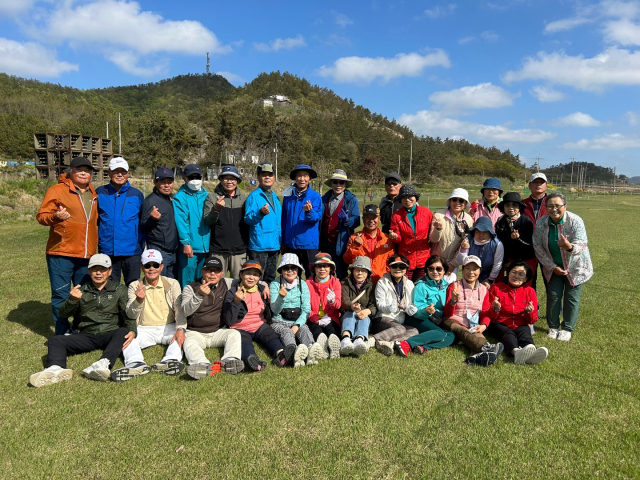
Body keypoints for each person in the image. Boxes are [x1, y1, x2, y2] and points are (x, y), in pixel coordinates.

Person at [29, 254, 144, 387]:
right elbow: (63, 313)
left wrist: (132, 330)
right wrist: (72, 301)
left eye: (103, 269)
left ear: (110, 271)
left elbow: (127, 314)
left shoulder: (119, 289)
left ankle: (103, 363)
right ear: (89, 271)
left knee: (123, 332)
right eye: (95, 269)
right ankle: (55, 369)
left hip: (110, 332)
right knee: (55, 341)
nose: (99, 273)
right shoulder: (82, 290)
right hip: (87, 335)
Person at [37, 156, 98, 335]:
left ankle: (80, 327)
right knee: (61, 294)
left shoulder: (93, 193)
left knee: (84, 294)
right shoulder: (57, 190)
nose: (83, 173)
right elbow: (42, 216)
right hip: (61, 251)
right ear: (70, 171)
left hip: (86, 253)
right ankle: (62, 330)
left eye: (87, 170)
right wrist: (55, 217)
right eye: (79, 169)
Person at [533, 193, 593, 341]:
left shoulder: (575, 221)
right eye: (550, 206)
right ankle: (553, 326)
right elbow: (538, 247)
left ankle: (567, 328)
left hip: (576, 266)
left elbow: (582, 243)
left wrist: (569, 246)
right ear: (546, 208)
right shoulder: (541, 223)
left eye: (558, 206)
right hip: (553, 267)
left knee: (571, 298)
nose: (554, 209)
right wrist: (552, 266)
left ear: (565, 206)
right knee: (553, 296)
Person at [122, 249, 186, 377]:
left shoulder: (172, 283)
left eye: (155, 265)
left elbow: (179, 309)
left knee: (182, 339)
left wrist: (180, 329)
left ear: (161, 267)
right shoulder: (134, 285)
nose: (152, 269)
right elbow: (130, 314)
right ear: (142, 267)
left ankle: (170, 361)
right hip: (144, 328)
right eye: (147, 265)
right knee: (128, 340)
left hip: (168, 326)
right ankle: (136, 363)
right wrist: (138, 301)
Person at [179, 256, 245, 379]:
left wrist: (264, 285)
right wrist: (199, 295)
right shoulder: (190, 288)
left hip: (218, 331)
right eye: (209, 270)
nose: (213, 274)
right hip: (196, 332)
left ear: (222, 273)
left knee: (234, 334)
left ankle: (230, 360)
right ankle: (202, 364)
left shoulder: (228, 283)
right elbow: (185, 311)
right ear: (203, 271)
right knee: (189, 342)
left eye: (217, 271)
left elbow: (247, 280)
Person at [224, 260, 294, 371]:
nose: (251, 277)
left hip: (259, 325)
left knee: (271, 337)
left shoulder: (262, 290)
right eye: (248, 274)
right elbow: (229, 320)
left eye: (255, 275)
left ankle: (281, 355)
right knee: (244, 343)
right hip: (240, 328)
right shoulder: (233, 292)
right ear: (241, 275)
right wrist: (236, 302)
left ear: (259, 278)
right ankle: (251, 359)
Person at [442, 256, 501, 366]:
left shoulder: (483, 289)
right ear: (463, 269)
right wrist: (453, 301)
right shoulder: (454, 286)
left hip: (472, 325)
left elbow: (485, 312)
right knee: (459, 329)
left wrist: (483, 325)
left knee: (480, 339)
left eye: (475, 269)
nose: (471, 272)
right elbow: (446, 313)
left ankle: (473, 358)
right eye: (468, 268)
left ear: (480, 271)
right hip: (453, 322)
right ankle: (485, 348)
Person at [485, 261, 548, 365]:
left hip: (520, 322)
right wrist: (495, 308)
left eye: (521, 274)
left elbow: (532, 319)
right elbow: (489, 314)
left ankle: (531, 353)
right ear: (508, 273)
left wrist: (528, 312)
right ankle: (516, 352)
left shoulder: (530, 291)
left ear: (526, 278)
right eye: (513, 272)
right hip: (500, 323)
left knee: (525, 334)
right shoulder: (497, 288)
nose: (516, 276)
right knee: (508, 334)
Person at [96, 157, 145, 286]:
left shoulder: (136, 194)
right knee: (110, 287)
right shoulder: (100, 193)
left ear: (128, 173)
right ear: (109, 173)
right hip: (108, 249)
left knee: (133, 286)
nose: (119, 174)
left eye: (123, 171)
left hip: (132, 250)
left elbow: (143, 220)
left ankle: (131, 307)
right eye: (115, 171)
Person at [269, 254, 323, 367]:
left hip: (297, 320)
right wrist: (281, 298)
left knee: (305, 330)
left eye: (293, 267)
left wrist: (297, 325)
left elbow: (306, 309)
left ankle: (311, 350)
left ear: (298, 269)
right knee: (286, 332)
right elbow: (274, 310)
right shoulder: (274, 284)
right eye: (286, 268)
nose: (290, 271)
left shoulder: (302, 284)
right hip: (279, 321)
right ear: (281, 270)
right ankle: (293, 352)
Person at [401, 255, 456, 354]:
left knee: (451, 336)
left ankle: (423, 347)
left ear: (444, 271)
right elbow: (417, 309)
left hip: (436, 319)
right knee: (439, 333)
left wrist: (453, 301)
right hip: (419, 317)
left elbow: (448, 308)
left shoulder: (447, 286)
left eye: (439, 269)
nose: (435, 272)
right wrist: (426, 311)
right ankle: (407, 343)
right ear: (427, 271)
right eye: (431, 269)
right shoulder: (421, 285)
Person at [204, 165, 249, 279]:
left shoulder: (244, 199)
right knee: (217, 284)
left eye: (233, 179)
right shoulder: (212, 198)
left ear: (237, 181)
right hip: (218, 250)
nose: (229, 181)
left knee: (239, 284)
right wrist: (216, 208)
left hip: (239, 251)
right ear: (221, 180)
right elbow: (208, 220)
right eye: (226, 178)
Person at [371, 255, 419, 356]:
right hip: (383, 318)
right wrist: (388, 308)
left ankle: (390, 344)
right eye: (394, 266)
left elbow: (410, 304)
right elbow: (380, 305)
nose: (398, 269)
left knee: (414, 330)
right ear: (389, 268)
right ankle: (373, 340)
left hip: (400, 320)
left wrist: (411, 309)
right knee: (400, 329)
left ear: (406, 269)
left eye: (401, 267)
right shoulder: (382, 282)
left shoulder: (410, 284)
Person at [282, 164, 323, 279]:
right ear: (295, 178)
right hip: (291, 244)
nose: (302, 179)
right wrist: (284, 241)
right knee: (291, 277)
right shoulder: (288, 197)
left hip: (309, 244)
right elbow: (284, 219)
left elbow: (316, 218)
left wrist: (309, 212)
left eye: (305, 176)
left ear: (309, 178)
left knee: (312, 276)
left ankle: (311, 297)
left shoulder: (315, 196)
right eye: (299, 176)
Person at [173, 164, 210, 287]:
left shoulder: (207, 195)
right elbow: (181, 222)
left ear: (202, 177)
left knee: (203, 281)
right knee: (187, 282)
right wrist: (186, 243)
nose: (195, 180)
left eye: (197, 177)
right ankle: (184, 305)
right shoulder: (180, 197)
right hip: (190, 248)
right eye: (191, 177)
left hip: (206, 247)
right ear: (184, 178)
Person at [320, 169, 360, 279]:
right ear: (331, 184)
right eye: (335, 182)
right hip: (325, 243)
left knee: (341, 273)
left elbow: (357, 220)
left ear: (345, 184)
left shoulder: (351, 200)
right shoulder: (324, 199)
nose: (338, 185)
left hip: (341, 243)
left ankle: (341, 295)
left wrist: (348, 221)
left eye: (341, 182)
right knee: (325, 272)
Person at [245, 163, 281, 284]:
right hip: (259, 246)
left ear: (274, 177)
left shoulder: (276, 197)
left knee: (270, 279)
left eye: (270, 175)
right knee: (256, 279)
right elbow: (248, 219)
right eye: (264, 175)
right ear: (258, 177)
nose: (267, 177)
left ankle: (268, 303)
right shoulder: (254, 196)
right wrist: (260, 213)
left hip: (275, 245)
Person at [140, 167, 179, 279]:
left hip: (174, 251)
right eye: (162, 182)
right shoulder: (150, 201)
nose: (167, 185)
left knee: (172, 286)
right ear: (155, 182)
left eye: (169, 182)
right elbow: (143, 226)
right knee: (159, 284)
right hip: (159, 250)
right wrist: (152, 219)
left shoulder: (173, 199)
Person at [429, 188, 474, 283]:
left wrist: (453, 264)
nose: (457, 202)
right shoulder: (439, 215)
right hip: (436, 260)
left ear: (465, 204)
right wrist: (438, 229)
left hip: (454, 262)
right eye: (454, 199)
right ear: (450, 201)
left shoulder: (469, 219)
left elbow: (463, 244)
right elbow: (433, 240)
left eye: (461, 200)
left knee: (449, 288)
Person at [389, 184, 433, 280]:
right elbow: (398, 239)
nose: (407, 200)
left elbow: (432, 235)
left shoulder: (426, 212)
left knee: (421, 286)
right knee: (406, 287)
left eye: (410, 197)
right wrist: (394, 236)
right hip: (406, 258)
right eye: (404, 197)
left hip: (424, 258)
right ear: (400, 199)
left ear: (415, 198)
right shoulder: (396, 216)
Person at [343, 204, 394, 283]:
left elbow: (390, 262)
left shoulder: (386, 239)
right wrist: (355, 246)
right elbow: (348, 260)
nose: (371, 221)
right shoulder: (354, 237)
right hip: (362, 282)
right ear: (363, 219)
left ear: (379, 219)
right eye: (367, 217)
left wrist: (385, 277)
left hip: (381, 280)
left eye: (374, 217)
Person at [494, 192, 536, 287]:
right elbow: (499, 243)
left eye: (514, 205)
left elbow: (529, 244)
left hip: (527, 258)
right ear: (503, 207)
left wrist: (518, 239)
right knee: (510, 284)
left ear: (520, 207)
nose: (511, 207)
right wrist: (505, 261)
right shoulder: (500, 222)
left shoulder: (526, 222)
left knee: (526, 285)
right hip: (509, 259)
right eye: (507, 205)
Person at [305, 253, 342, 359]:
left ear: (330, 268)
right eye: (319, 266)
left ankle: (334, 345)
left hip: (331, 317)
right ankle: (323, 346)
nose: (322, 269)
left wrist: (332, 302)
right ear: (314, 268)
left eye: (325, 266)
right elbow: (305, 306)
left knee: (332, 330)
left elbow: (338, 305)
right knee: (317, 331)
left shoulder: (335, 282)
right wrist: (316, 319)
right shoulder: (307, 283)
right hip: (313, 318)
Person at [339, 257, 377, 356]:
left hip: (364, 314)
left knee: (364, 317)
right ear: (352, 271)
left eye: (363, 271)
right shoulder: (344, 284)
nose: (360, 273)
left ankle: (359, 339)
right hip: (348, 312)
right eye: (357, 270)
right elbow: (344, 301)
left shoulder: (372, 286)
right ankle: (345, 339)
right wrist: (352, 307)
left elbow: (374, 305)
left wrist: (368, 311)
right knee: (349, 314)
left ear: (368, 273)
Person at [457, 216, 504, 287]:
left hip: (488, 275)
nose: (481, 235)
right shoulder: (467, 240)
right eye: (478, 231)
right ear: (474, 231)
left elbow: (497, 265)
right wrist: (463, 250)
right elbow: (460, 262)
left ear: (490, 233)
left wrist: (490, 280)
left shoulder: (497, 244)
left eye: (485, 232)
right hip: (470, 273)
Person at [522, 172, 548, 291]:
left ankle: (554, 309)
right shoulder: (522, 204)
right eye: (535, 182)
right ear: (529, 185)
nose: (538, 185)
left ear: (546, 185)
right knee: (529, 280)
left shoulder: (552, 202)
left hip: (548, 248)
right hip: (528, 248)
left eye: (541, 182)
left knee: (550, 282)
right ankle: (532, 309)